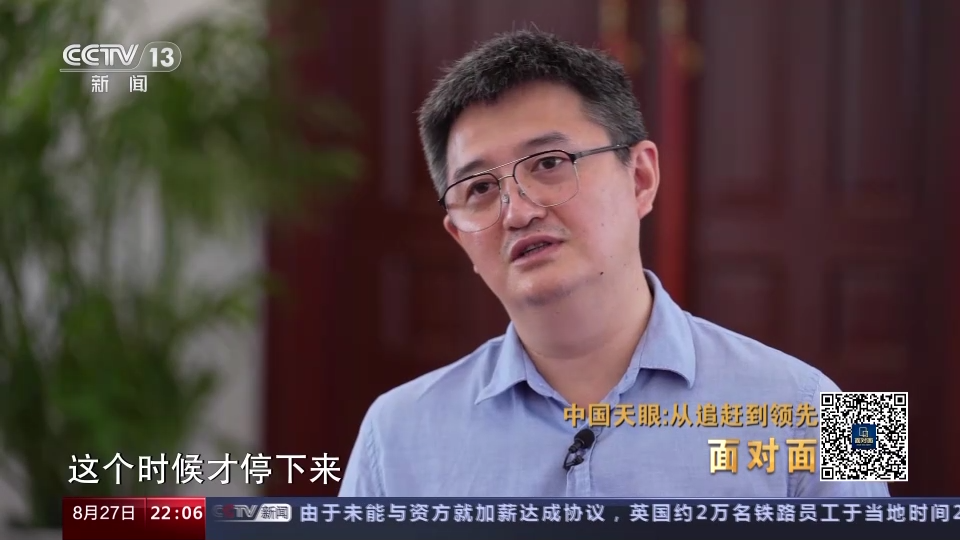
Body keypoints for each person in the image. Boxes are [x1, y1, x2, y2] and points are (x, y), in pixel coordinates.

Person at [339, 30, 889, 498]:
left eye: (549, 163)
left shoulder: (831, 409)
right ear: (460, 237)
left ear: (641, 178)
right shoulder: (393, 434)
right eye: (480, 188)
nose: (517, 212)